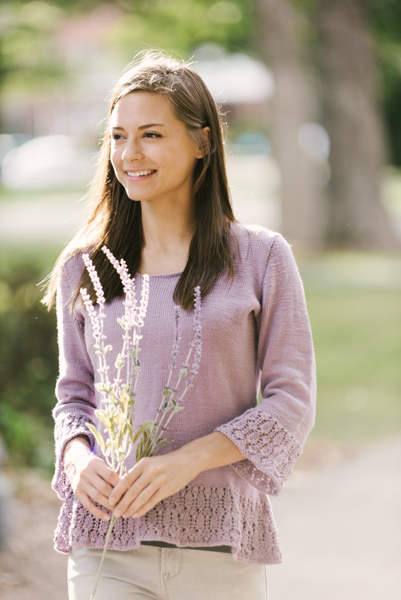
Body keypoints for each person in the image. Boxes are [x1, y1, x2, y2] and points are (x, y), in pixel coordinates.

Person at [44, 50, 316, 600]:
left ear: (203, 142)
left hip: (219, 552)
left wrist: (188, 461)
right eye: (118, 137)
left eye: (151, 135)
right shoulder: (86, 266)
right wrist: (77, 458)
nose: (129, 153)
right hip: (108, 544)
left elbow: (291, 401)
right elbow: (75, 395)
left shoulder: (262, 258)